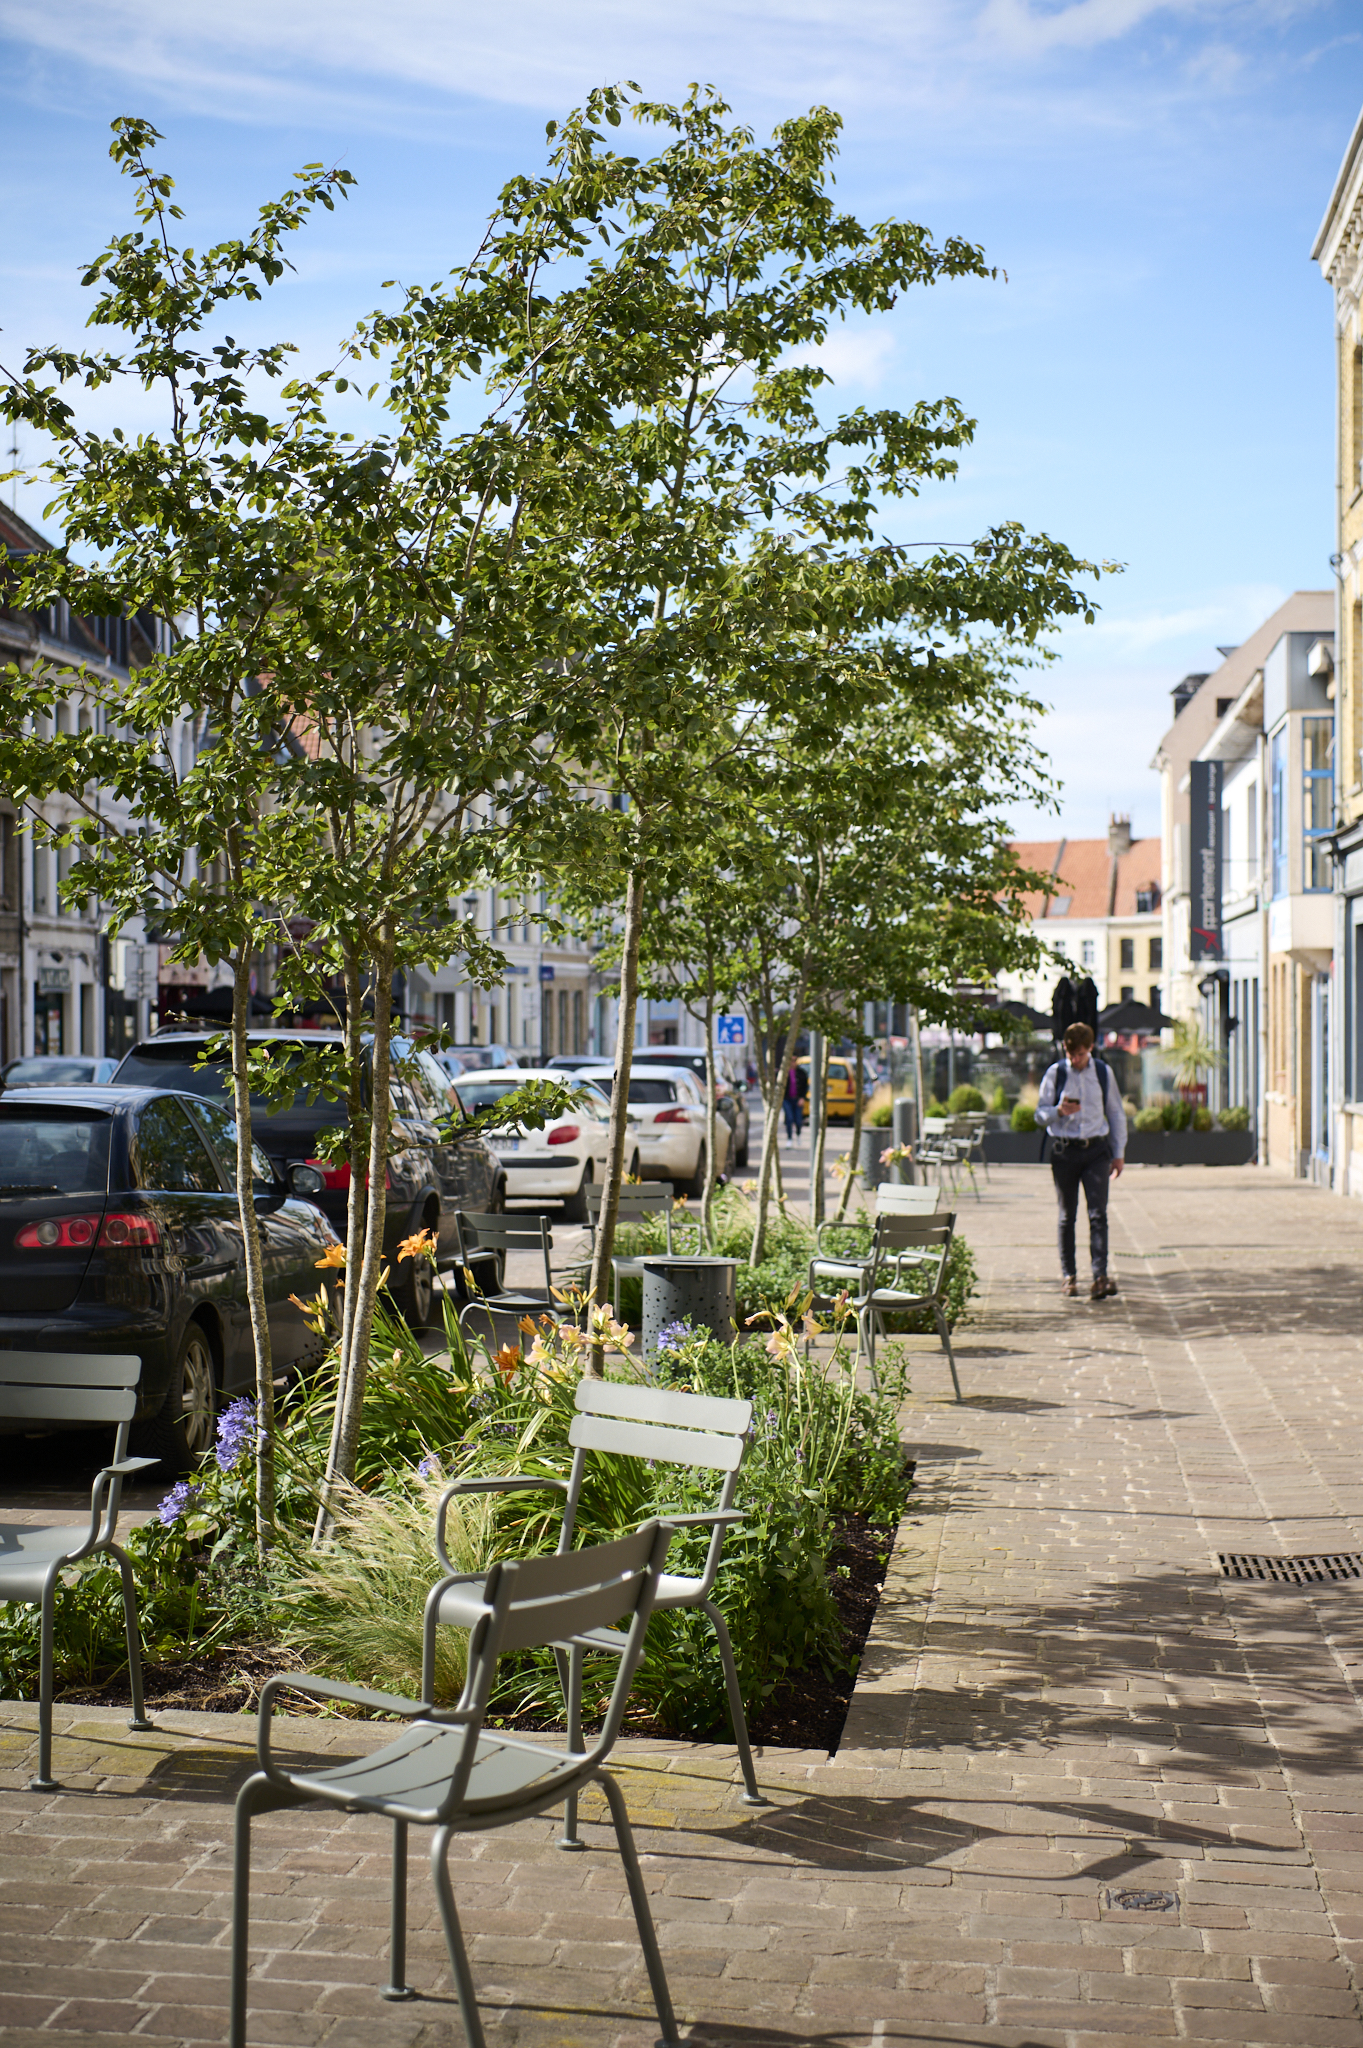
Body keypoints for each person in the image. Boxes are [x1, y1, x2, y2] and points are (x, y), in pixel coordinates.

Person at [1034, 1021, 1126, 1300]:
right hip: (1064, 1151)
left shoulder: (1102, 1072)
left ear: (1091, 1049)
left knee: (1098, 1214)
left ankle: (1100, 1276)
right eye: (1072, 1055)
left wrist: (1119, 1152)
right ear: (1065, 1049)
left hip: (1097, 1150)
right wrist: (1058, 1112)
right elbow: (1039, 1114)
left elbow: (1116, 1112)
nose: (1076, 1060)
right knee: (1067, 1216)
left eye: (1081, 1055)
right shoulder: (1056, 1073)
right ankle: (1069, 1276)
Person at [782, 1062, 803, 1142]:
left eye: (794, 1060)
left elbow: (805, 1086)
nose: (792, 1063)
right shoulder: (784, 1073)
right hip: (787, 1099)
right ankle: (789, 1138)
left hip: (798, 1099)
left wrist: (802, 1098)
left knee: (798, 1119)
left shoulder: (801, 1073)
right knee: (789, 1118)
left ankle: (798, 1134)